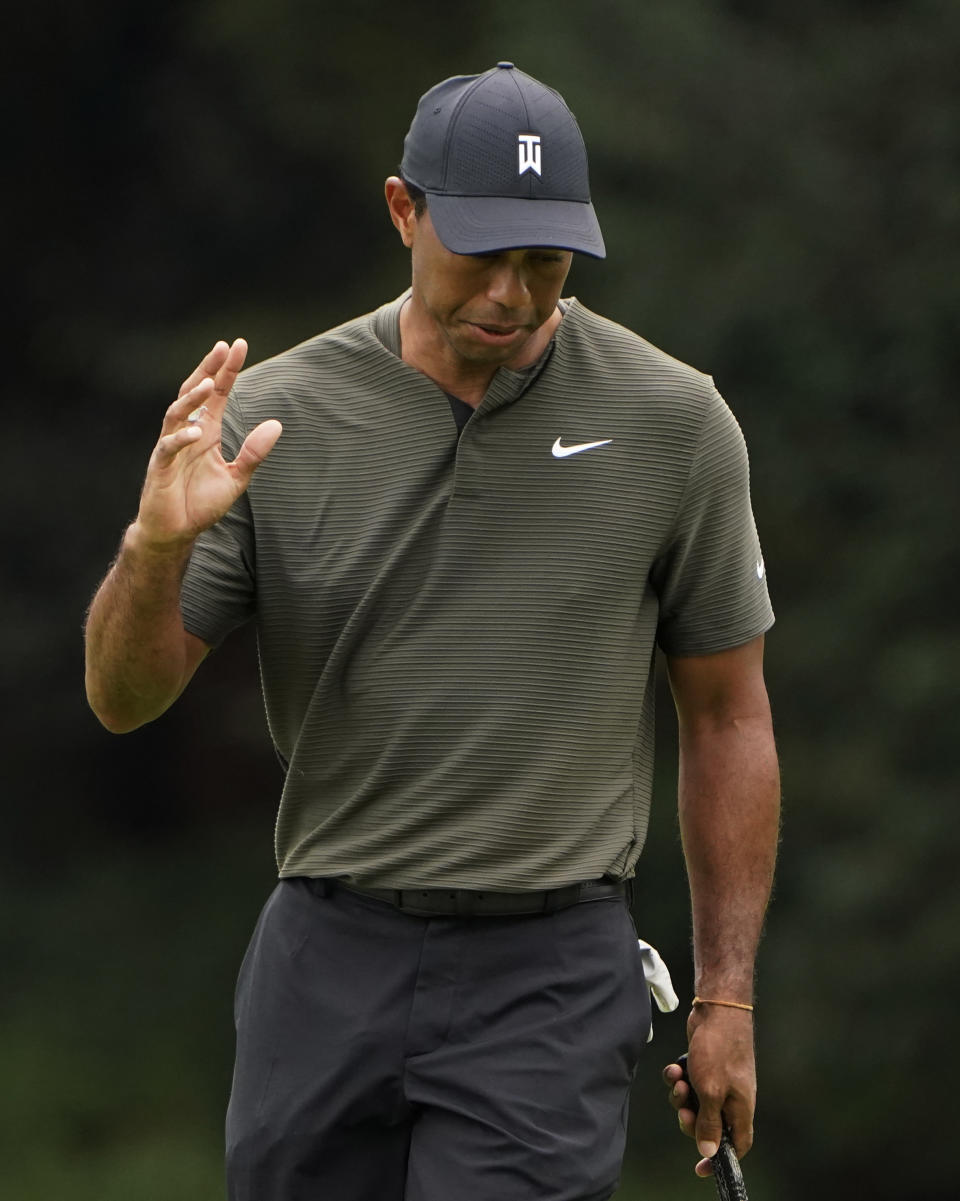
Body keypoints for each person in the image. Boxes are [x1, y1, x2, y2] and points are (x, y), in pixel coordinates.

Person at [85, 62, 780, 1201]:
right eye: (481, 254)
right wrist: (155, 550)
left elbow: (729, 711)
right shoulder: (272, 420)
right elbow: (123, 696)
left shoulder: (674, 421)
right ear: (406, 211)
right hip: (326, 954)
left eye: (545, 263)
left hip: (548, 971)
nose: (512, 293)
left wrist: (727, 998)